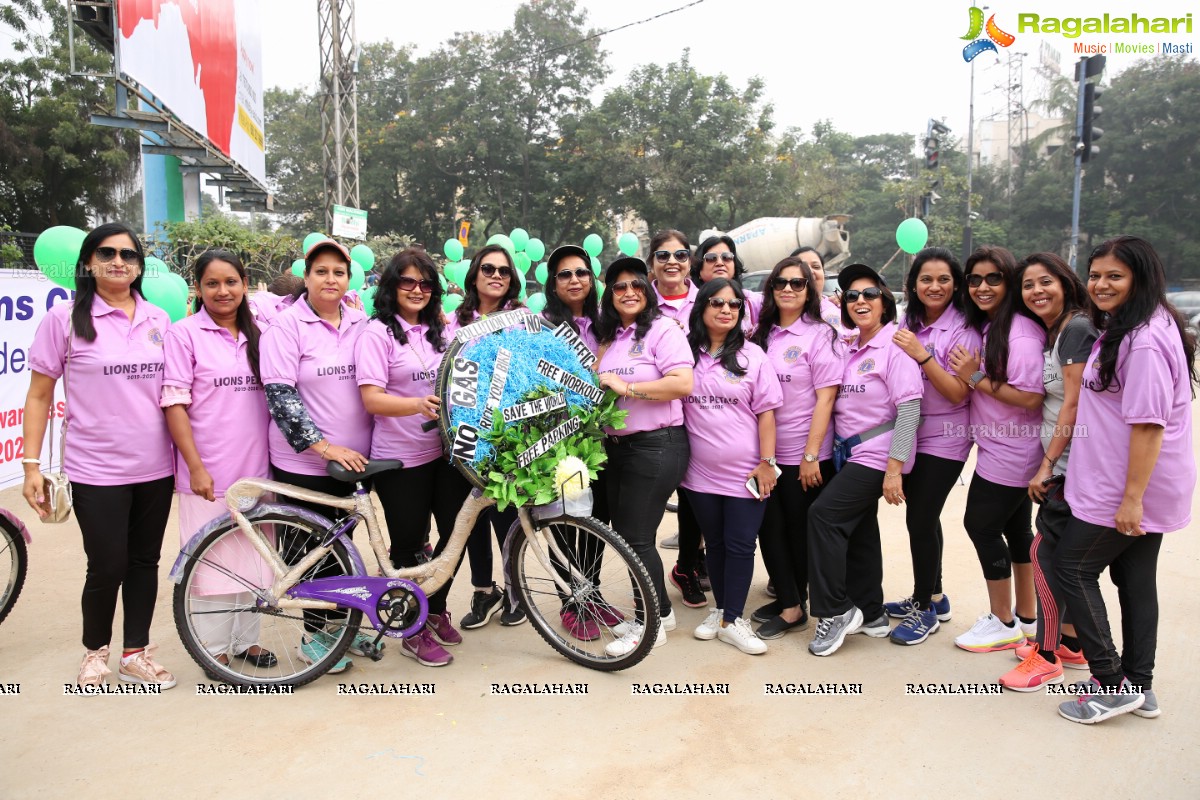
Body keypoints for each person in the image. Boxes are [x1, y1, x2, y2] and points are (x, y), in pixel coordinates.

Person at [22, 222, 177, 688]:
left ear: (139, 266)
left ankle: (135, 652)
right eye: (106, 253)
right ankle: (95, 652)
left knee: (144, 562)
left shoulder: (157, 320)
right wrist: (31, 466)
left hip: (155, 466)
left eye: (128, 255)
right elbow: (37, 396)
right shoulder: (64, 320)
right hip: (95, 468)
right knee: (107, 563)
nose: (118, 262)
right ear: (87, 263)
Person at [1055, 236, 1196, 724]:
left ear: (1140, 277)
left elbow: (1149, 425)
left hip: (1128, 487)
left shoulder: (1146, 340)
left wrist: (1132, 498)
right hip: (1129, 483)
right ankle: (1141, 685)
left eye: (1114, 275)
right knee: (1135, 579)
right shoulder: (1132, 327)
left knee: (1070, 567)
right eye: (1095, 275)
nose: (1100, 284)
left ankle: (1112, 684)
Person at [259, 238, 376, 674]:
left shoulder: (361, 321)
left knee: (343, 549)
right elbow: (281, 396)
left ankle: (342, 627)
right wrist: (325, 447)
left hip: (353, 465)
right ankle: (316, 636)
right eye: (321, 271)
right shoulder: (286, 327)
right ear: (306, 277)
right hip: (304, 465)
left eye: (339, 272)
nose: (331, 279)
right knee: (309, 550)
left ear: (349, 278)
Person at [357, 247, 472, 667]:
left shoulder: (439, 330)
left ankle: (434, 607)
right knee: (407, 547)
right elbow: (371, 399)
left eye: (425, 283)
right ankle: (411, 629)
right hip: (399, 460)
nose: (417, 289)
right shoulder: (377, 334)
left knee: (454, 535)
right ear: (392, 286)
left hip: (445, 454)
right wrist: (416, 404)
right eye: (408, 281)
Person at [161, 249, 276, 670]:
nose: (223, 291)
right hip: (207, 472)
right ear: (199, 289)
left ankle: (247, 641)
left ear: (245, 284)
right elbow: (174, 402)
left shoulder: (263, 334)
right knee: (210, 562)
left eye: (231, 282)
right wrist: (194, 466)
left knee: (255, 557)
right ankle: (213, 648)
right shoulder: (184, 334)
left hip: (259, 472)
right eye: (212, 283)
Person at [806, 264, 922, 657]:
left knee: (823, 516)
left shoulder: (896, 346)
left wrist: (894, 469)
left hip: (877, 456)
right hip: (850, 453)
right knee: (859, 529)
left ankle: (835, 610)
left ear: (885, 300)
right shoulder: (853, 346)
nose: (860, 301)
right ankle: (872, 613)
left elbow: (909, 410)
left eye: (869, 293)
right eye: (852, 295)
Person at [995, 252, 1097, 690]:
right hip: (1073, 464)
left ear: (1066, 283)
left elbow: (1072, 404)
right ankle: (1071, 642)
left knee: (1045, 556)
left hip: (1074, 464)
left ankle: (1047, 654)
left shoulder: (1076, 329)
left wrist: (1047, 464)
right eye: (1028, 285)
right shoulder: (1060, 330)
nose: (1037, 291)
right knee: (1061, 557)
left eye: (1045, 282)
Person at [595, 256, 694, 656]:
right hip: (619, 449)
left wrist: (628, 390)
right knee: (629, 534)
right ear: (611, 295)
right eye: (620, 286)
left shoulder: (662, 329)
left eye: (637, 283)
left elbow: (682, 383)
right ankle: (661, 611)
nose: (629, 291)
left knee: (636, 537)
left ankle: (650, 625)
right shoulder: (614, 336)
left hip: (657, 445)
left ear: (648, 288)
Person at [948, 246, 1044, 652]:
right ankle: (1026, 617)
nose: (982, 287)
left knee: (981, 526)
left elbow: (1030, 397)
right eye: (974, 279)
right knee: (1017, 532)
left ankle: (1002, 621)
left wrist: (974, 377)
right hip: (1004, 447)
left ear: (1009, 281)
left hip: (1012, 452)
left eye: (993, 278)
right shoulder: (997, 326)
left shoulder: (1018, 334)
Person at [882, 247, 980, 645]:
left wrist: (923, 356)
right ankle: (935, 596)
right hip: (910, 431)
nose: (934, 286)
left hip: (947, 435)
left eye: (943, 279)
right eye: (926, 279)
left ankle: (924, 609)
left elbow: (958, 393)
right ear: (914, 285)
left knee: (920, 517)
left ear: (955, 284)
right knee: (923, 518)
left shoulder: (963, 331)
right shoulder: (908, 320)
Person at [680, 279, 782, 655]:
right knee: (717, 544)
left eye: (734, 305)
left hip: (746, 474)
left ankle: (733, 619)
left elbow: (767, 415)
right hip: (698, 474)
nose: (726, 310)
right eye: (718, 303)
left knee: (740, 545)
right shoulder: (685, 353)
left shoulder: (753, 356)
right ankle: (722, 611)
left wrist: (766, 463)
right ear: (702, 307)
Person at [749, 256, 843, 640]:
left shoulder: (821, 335)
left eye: (798, 283)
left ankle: (795, 608)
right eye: (781, 283)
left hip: (804, 456)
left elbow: (826, 400)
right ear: (771, 289)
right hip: (763, 456)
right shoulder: (760, 333)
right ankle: (789, 599)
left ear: (810, 290)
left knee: (797, 531)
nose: (788, 289)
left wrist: (810, 456)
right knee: (769, 530)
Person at [451, 244, 527, 628]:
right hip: (463, 436)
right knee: (471, 520)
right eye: (487, 268)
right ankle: (484, 592)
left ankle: (517, 593)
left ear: (512, 278)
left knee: (508, 516)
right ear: (475, 275)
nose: (496, 275)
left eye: (503, 270)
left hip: (508, 435)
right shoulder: (452, 320)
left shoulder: (522, 320)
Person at [540, 244, 613, 640]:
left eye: (581, 273)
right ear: (554, 283)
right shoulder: (541, 326)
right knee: (564, 521)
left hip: (601, 440)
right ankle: (571, 601)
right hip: (558, 440)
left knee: (596, 522)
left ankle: (593, 594)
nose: (574, 280)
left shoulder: (608, 323)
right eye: (565, 274)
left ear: (592, 278)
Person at [645, 230, 707, 597]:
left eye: (681, 255)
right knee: (648, 504)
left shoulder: (707, 301)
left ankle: (687, 566)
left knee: (695, 498)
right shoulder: (637, 301)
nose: (672, 262)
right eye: (663, 255)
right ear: (652, 262)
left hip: (704, 413)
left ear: (690, 262)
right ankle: (645, 578)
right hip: (654, 416)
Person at [791, 246, 844, 330]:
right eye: (803, 267)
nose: (810, 271)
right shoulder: (779, 311)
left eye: (816, 267)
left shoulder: (839, 309)